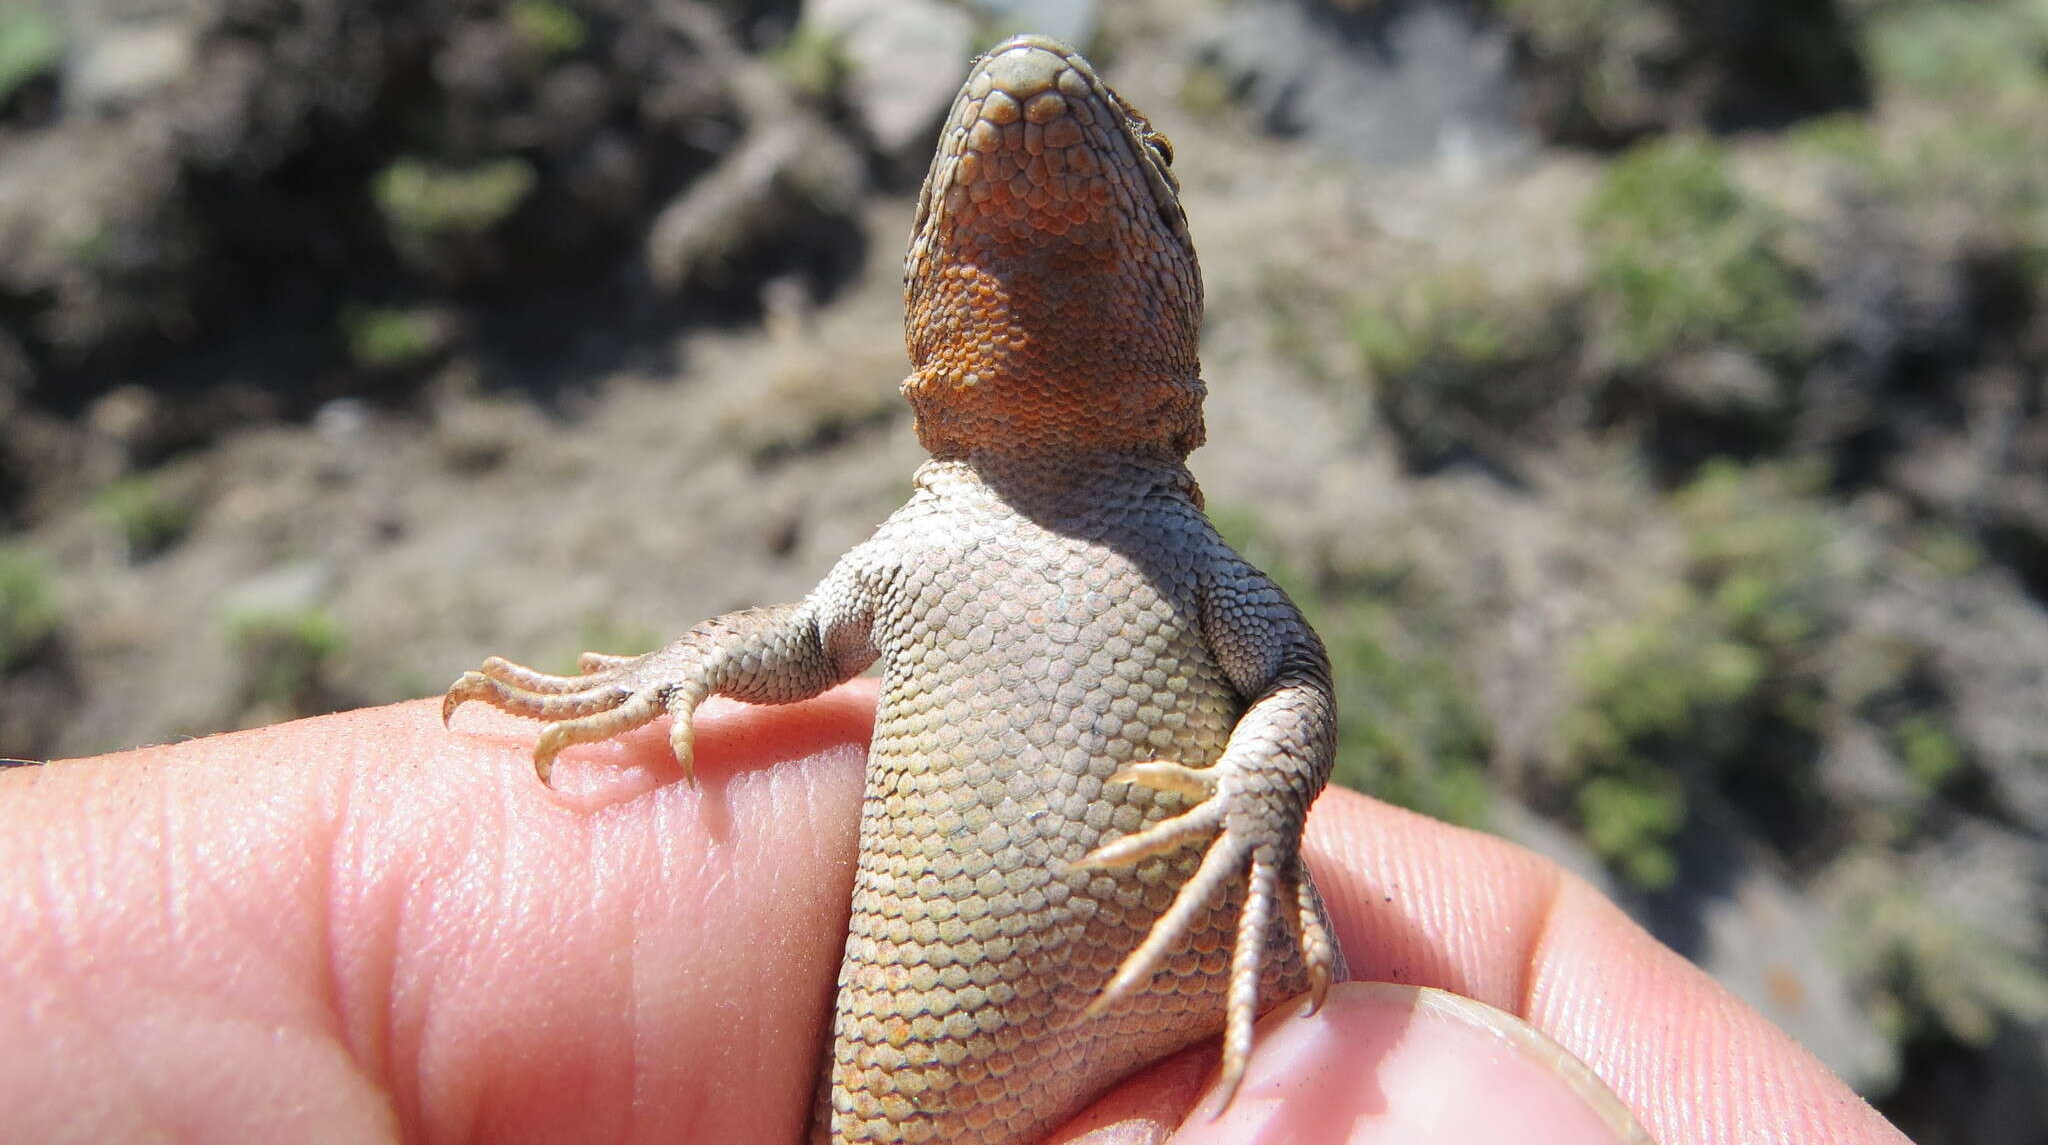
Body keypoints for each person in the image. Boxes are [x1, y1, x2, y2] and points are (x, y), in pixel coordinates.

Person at [0, 684, 1908, 1143]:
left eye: (1141, 160)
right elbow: (786, 652)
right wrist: (666, 677)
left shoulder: (1175, 531)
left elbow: (1293, 679)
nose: (1035, 93)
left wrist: (1265, 788)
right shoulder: (926, 532)